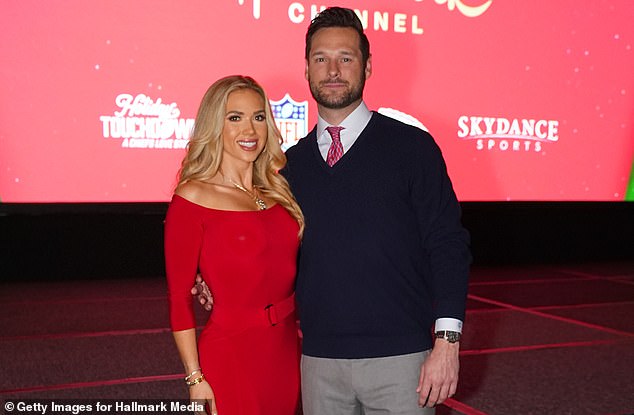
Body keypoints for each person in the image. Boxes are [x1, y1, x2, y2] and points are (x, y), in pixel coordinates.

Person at [195, 7, 470, 414]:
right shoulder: (288, 167)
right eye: (321, 59)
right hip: (318, 364)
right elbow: (269, 257)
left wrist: (447, 343)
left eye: (346, 58)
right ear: (307, 69)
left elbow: (447, 244)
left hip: (401, 363)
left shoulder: (412, 148)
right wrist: (220, 281)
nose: (333, 70)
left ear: (368, 66)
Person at [164, 75, 304, 415]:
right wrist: (195, 378)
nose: (250, 130)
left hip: (287, 352)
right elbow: (179, 299)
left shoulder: (278, 191)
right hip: (231, 354)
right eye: (235, 118)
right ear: (215, 125)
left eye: (258, 117)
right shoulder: (192, 197)